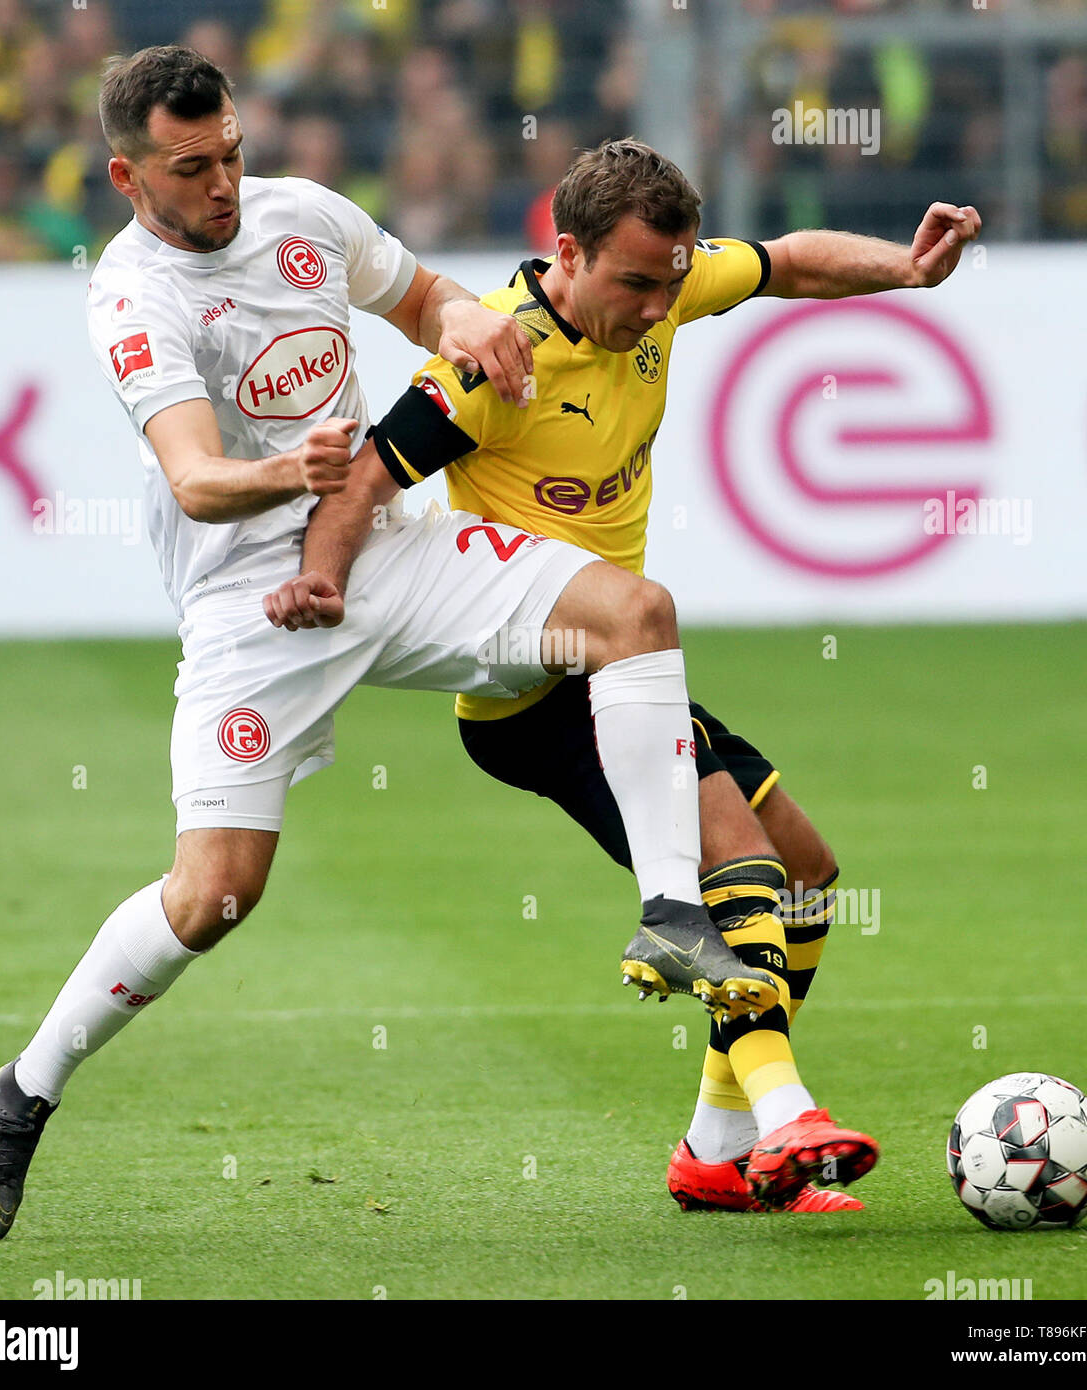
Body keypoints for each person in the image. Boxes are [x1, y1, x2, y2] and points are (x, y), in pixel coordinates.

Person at [0, 58, 771, 1243]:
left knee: (635, 614)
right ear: (129, 176)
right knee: (215, 895)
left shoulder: (302, 214)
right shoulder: (131, 298)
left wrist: (473, 322)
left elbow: (425, 296)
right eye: (194, 167)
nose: (226, 181)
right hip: (248, 599)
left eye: (231, 150)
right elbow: (194, 477)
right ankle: (20, 1097)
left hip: (390, 544)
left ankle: (671, 909)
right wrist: (293, 468)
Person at [265, 138, 981, 1211]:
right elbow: (368, 472)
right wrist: (321, 579)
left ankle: (712, 1147)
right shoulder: (493, 359)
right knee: (733, 859)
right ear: (570, 251)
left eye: (671, 280)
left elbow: (786, 260)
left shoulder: (667, 285)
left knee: (805, 874)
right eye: (637, 283)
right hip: (529, 692)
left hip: (621, 669)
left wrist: (908, 270)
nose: (658, 307)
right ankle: (789, 1122)